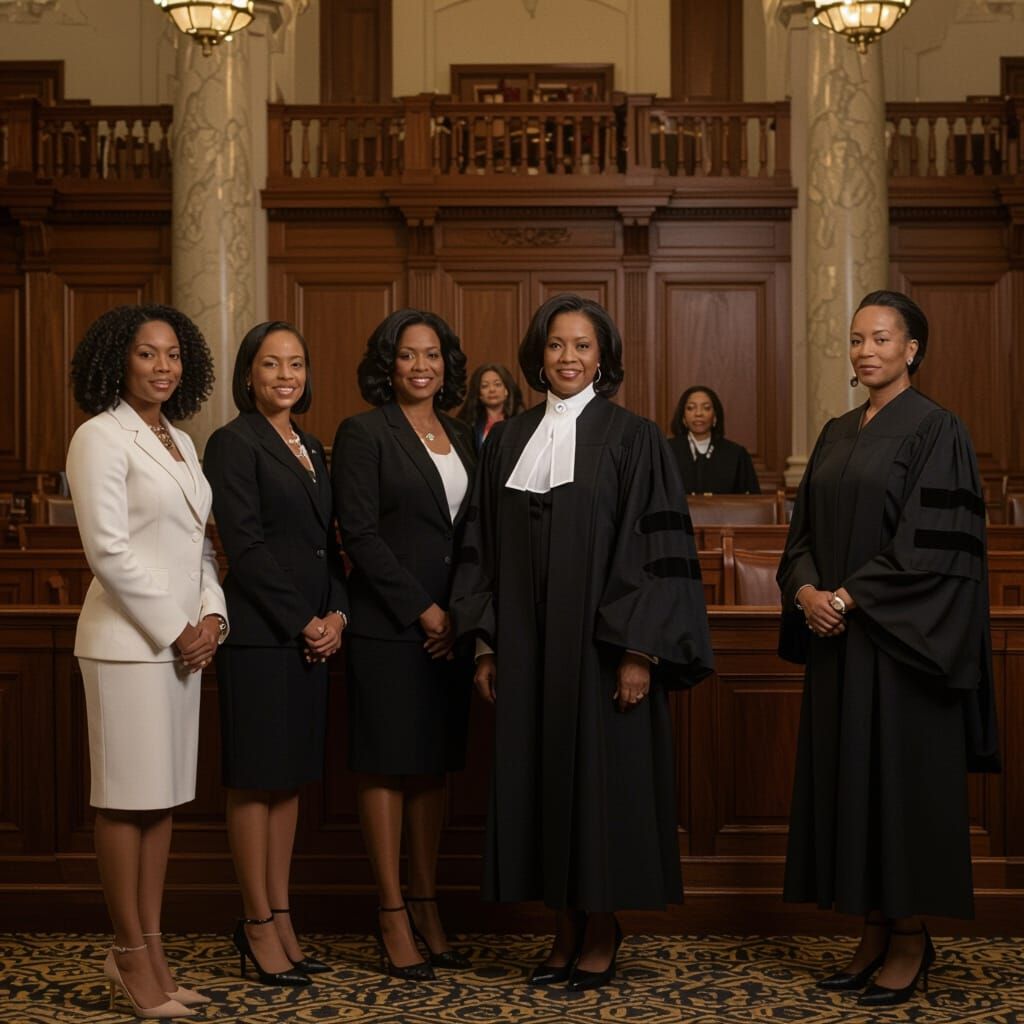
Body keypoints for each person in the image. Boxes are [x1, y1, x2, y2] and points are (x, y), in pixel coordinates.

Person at [450, 294, 714, 991]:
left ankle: (601, 925)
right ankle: (563, 925)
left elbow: (654, 550)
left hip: (601, 653)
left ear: (603, 359)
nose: (568, 358)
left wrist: (640, 650)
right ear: (537, 356)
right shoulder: (509, 440)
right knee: (541, 782)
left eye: (583, 346)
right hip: (528, 652)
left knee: (600, 787)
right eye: (556, 345)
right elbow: (481, 545)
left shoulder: (634, 438)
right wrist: (487, 644)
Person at [777, 290, 1000, 1007]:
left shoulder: (938, 429)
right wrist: (807, 592)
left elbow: (932, 549)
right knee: (854, 787)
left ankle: (910, 937)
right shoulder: (837, 431)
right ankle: (873, 930)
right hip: (839, 646)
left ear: (912, 349)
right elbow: (802, 535)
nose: (866, 350)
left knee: (898, 790)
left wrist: (846, 598)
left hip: (903, 650)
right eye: (856, 339)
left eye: (881, 338)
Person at [66, 305, 228, 1019]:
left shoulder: (182, 441)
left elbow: (199, 545)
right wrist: (176, 628)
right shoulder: (99, 436)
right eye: (146, 353)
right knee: (124, 800)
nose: (163, 366)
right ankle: (129, 955)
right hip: (127, 648)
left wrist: (213, 616)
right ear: (118, 361)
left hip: (182, 649)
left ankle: (154, 953)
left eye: (173, 355)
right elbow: (107, 551)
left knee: (160, 803)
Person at [331, 309, 475, 981]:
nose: (423, 366)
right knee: (387, 766)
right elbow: (359, 534)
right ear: (387, 365)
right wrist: (424, 611)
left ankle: (426, 903)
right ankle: (391, 910)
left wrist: (458, 615)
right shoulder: (364, 433)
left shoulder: (463, 435)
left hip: (451, 630)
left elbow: (474, 534)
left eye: (433, 354)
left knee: (432, 767)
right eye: (409, 354)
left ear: (447, 365)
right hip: (390, 626)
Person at [203, 321, 348, 988]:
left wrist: (337, 615)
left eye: (295, 363)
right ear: (249, 375)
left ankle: (282, 918)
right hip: (262, 638)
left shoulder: (312, 445)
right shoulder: (233, 442)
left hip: (310, 639)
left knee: (288, 782)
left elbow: (327, 543)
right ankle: (256, 922)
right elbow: (246, 545)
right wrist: (304, 621)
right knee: (255, 781)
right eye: (271, 364)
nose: (285, 375)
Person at [667, 385, 760, 494]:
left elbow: (752, 499)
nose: (698, 414)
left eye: (706, 408)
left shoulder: (736, 454)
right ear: (683, 418)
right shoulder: (667, 451)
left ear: (715, 416)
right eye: (691, 408)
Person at [457, 363, 525, 449]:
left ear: (507, 390)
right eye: (485, 386)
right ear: (479, 393)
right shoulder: (467, 424)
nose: (492, 390)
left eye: (497, 384)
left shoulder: (521, 422)